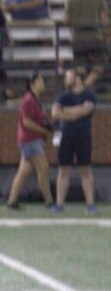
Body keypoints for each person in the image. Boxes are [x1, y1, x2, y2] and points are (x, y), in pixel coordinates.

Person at [52, 63, 98, 213]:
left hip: (84, 136)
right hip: (66, 137)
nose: (66, 78)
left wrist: (67, 111)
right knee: (63, 170)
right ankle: (59, 204)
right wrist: (75, 112)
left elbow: (86, 110)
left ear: (77, 78)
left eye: (69, 75)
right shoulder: (63, 95)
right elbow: (55, 113)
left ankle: (90, 204)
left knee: (85, 169)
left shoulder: (89, 95)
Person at [5, 71, 54, 210]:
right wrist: (44, 130)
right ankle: (49, 202)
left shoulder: (35, 99)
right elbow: (27, 122)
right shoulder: (29, 100)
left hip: (31, 140)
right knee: (43, 169)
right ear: (33, 84)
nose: (43, 83)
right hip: (30, 140)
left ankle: (11, 201)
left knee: (24, 171)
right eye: (40, 81)